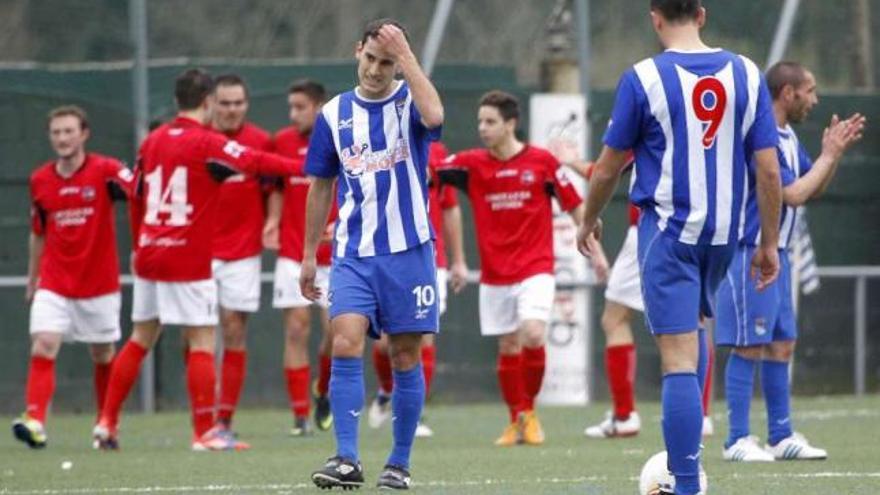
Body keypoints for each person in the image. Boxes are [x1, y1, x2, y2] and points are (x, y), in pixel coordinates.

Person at [575, 1, 783, 494]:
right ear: (702, 14)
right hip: (725, 235)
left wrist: (588, 218)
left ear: (655, 17)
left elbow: (607, 168)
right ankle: (690, 464)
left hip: (669, 233)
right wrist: (769, 242)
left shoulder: (643, 77)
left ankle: (685, 484)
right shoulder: (747, 74)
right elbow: (769, 171)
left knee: (676, 360)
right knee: (696, 329)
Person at [91, 68, 303, 452]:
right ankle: (206, 431)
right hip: (186, 258)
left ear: (177, 102)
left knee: (140, 337)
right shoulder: (205, 141)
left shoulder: (152, 140)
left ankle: (106, 423)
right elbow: (257, 161)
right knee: (203, 339)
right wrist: (311, 167)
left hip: (151, 252)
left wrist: (139, 245)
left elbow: (135, 193)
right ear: (207, 103)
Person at [300, 19, 444, 490]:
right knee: (344, 341)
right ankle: (346, 458)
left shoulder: (409, 100)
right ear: (356, 51)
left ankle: (399, 463)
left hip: (409, 251)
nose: (376, 71)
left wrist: (407, 57)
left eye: (386, 62)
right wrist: (307, 254)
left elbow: (437, 116)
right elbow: (321, 185)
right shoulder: (333, 114)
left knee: (404, 357)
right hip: (353, 253)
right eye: (370, 59)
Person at [715, 61, 865, 462]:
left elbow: (810, 187)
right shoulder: (758, 136)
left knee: (782, 344)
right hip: (752, 251)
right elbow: (793, 193)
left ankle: (781, 436)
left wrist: (830, 158)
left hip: (779, 253)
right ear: (788, 93)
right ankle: (737, 439)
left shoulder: (787, 136)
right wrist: (828, 155)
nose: (815, 100)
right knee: (750, 344)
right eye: (810, 90)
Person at [439, 90, 587, 447]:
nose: (483, 128)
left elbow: (575, 205)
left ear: (510, 124)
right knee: (507, 345)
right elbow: (428, 171)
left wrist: (592, 249)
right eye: (480, 122)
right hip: (495, 273)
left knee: (533, 333)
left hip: (536, 268)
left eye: (490, 122)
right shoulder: (469, 164)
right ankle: (514, 421)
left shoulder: (541, 162)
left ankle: (530, 412)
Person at [554, 148, 717, 439]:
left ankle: (625, 414)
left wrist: (569, 160)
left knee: (614, 319)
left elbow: (604, 170)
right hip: (701, 225)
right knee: (695, 317)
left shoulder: (650, 110)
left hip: (652, 227)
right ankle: (700, 415)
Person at [12, 106, 136, 449]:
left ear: (84, 134)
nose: (63, 138)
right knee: (44, 343)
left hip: (99, 284)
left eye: (69, 131)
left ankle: (106, 423)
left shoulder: (107, 170)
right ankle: (35, 420)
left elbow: (139, 191)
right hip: (54, 282)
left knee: (102, 353)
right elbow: (38, 232)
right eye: (56, 132)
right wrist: (32, 277)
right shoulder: (40, 179)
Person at [367, 141, 468, 438]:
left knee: (423, 338)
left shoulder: (436, 151)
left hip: (428, 260)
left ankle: (414, 414)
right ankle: (386, 391)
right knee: (385, 345)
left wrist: (459, 260)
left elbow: (449, 207)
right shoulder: (375, 144)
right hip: (385, 258)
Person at [264, 79, 336, 436]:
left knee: (337, 332)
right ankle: (299, 416)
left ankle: (323, 389)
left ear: (319, 107)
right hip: (294, 251)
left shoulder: (341, 135)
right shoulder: (281, 142)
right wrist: (274, 221)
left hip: (337, 255)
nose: (293, 115)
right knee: (295, 328)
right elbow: (277, 187)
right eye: (290, 107)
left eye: (300, 107)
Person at [209, 74, 274, 438]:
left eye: (237, 103)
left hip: (242, 252)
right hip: (197, 253)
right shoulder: (200, 140)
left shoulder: (260, 142)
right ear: (211, 104)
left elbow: (274, 188)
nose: (231, 109)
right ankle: (202, 417)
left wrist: (274, 221)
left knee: (234, 330)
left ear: (246, 105)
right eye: (224, 103)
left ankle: (224, 421)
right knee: (195, 335)